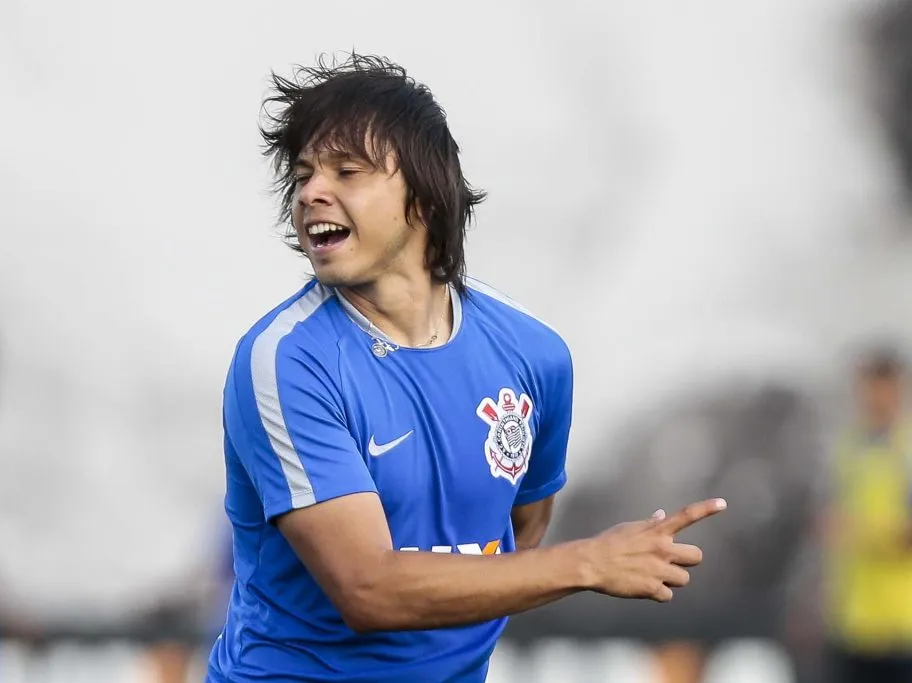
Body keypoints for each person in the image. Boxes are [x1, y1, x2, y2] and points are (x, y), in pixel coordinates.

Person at [206, 53, 727, 683]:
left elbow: (520, 531)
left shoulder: (534, 355)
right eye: (305, 174)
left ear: (423, 195)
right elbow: (367, 589)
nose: (313, 191)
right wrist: (589, 563)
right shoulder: (286, 361)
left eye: (347, 171)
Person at [824, 346, 912, 683]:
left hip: (901, 627)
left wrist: (860, 533)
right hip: (853, 625)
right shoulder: (849, 447)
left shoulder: (906, 449)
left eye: (880, 384)